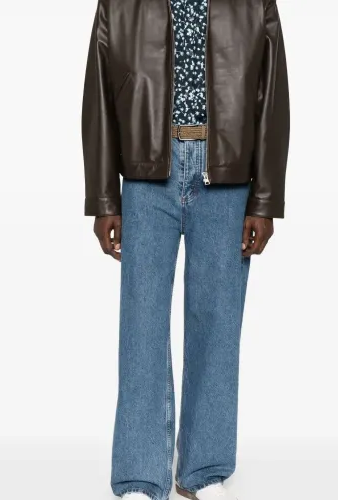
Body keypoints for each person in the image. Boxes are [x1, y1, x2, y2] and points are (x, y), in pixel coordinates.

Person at [81, 0, 289, 498]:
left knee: (217, 323)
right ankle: (140, 474)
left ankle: (204, 470)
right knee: (142, 324)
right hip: (145, 177)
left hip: (227, 174)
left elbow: (273, 97)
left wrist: (264, 200)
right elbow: (99, 98)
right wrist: (104, 198)